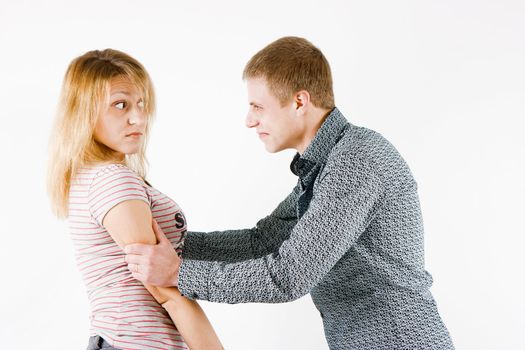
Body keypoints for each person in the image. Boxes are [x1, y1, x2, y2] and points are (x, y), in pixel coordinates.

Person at [124, 37, 455, 349]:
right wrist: (174, 243)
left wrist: (178, 273)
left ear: (299, 101)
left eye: (258, 106)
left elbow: (288, 276)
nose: (249, 120)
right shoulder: (325, 166)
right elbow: (264, 241)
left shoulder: (356, 161)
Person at [47, 49, 223, 350]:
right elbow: (165, 289)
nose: (138, 117)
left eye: (141, 103)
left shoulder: (90, 177)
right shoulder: (112, 180)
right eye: (120, 105)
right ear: (83, 111)